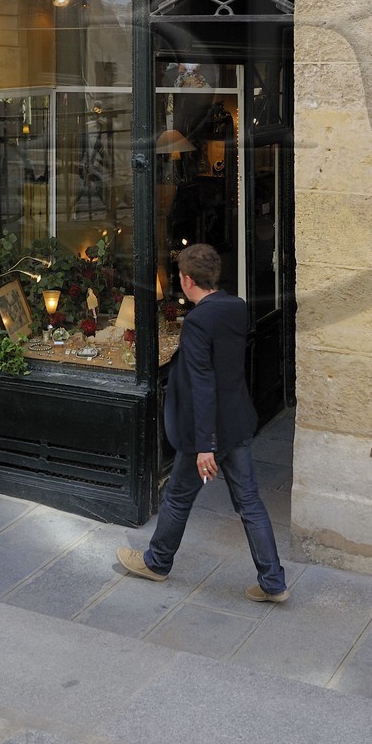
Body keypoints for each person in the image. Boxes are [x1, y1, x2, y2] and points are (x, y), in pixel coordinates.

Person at [117, 242, 288, 602]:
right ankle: (273, 582)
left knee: (178, 498)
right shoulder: (235, 307)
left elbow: (203, 384)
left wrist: (205, 445)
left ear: (186, 280)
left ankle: (157, 563)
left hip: (206, 431)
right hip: (237, 422)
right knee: (250, 502)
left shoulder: (197, 322)